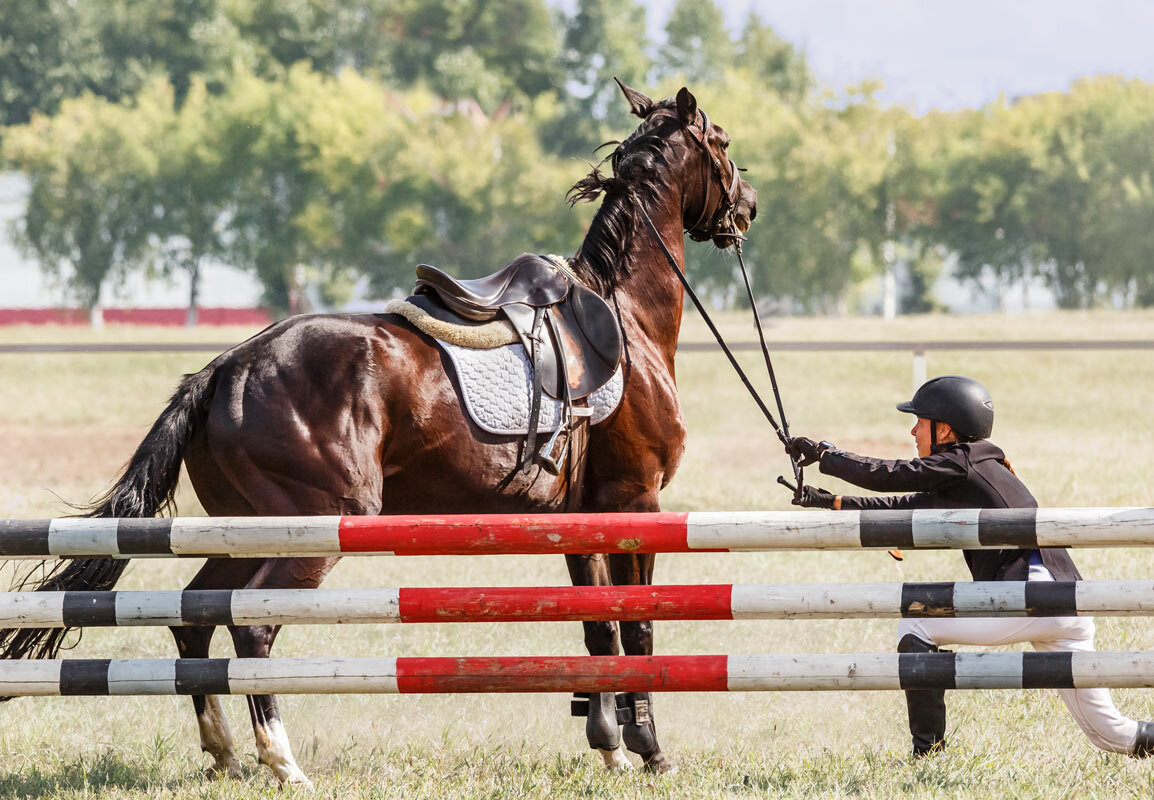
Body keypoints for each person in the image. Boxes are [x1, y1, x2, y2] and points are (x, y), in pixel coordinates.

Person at [784, 375, 1154, 758]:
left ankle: (928, 755)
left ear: (943, 429)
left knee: (916, 624)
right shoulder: (973, 468)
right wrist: (831, 502)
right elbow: (904, 509)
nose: (913, 431)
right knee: (1115, 736)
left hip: (1033, 596)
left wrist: (825, 455)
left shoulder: (962, 463)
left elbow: (891, 475)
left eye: (920, 422)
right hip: (1065, 601)